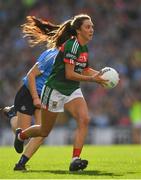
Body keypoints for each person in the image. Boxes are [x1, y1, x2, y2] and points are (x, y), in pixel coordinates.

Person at [14, 14, 108, 171]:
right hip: (55, 90)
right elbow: (69, 74)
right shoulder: (71, 46)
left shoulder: (83, 47)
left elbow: (84, 69)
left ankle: (75, 160)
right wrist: (94, 80)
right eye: (88, 27)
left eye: (92, 26)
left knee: (84, 119)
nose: (92, 29)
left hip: (71, 89)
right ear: (78, 30)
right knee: (44, 130)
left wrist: (102, 76)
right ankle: (21, 136)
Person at [3, 16, 60, 171]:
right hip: (29, 93)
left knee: (42, 132)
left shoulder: (67, 57)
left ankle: (20, 164)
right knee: (22, 132)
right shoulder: (52, 55)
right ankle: (13, 114)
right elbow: (30, 76)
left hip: (44, 96)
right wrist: (35, 98)